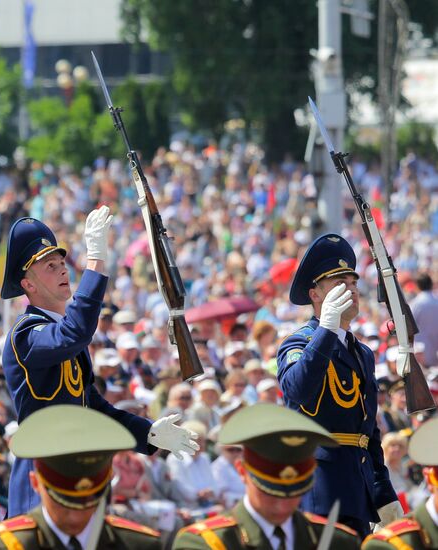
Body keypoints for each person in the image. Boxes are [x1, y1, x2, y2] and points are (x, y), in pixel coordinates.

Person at [0, 209, 198, 516]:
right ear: (28, 285)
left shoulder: (63, 335)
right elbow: (74, 332)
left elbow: (93, 408)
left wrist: (146, 432)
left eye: (63, 263)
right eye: (50, 266)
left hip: (79, 472)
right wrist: (95, 261)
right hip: (42, 472)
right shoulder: (26, 333)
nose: (63, 270)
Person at [277, 234, 401, 539]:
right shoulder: (299, 342)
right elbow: (297, 389)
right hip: (320, 487)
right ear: (315, 294)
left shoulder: (362, 353)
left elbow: (368, 431)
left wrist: (383, 493)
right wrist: (327, 329)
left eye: (353, 283)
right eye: (338, 284)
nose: (351, 290)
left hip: (357, 489)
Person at [172, 403, 361, 549]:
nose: (282, 503)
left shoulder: (338, 541)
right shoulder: (206, 543)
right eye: (270, 491)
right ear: (242, 471)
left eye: (295, 491)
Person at [0, 405, 162, 549]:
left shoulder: (140, 544)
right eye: (64, 501)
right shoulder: (2, 545)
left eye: (89, 500)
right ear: (35, 483)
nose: (75, 515)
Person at [362, 416, 438, 549]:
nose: (396, 450)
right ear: (430, 478)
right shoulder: (389, 544)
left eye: (399, 446)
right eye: (392, 446)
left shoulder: (405, 468)